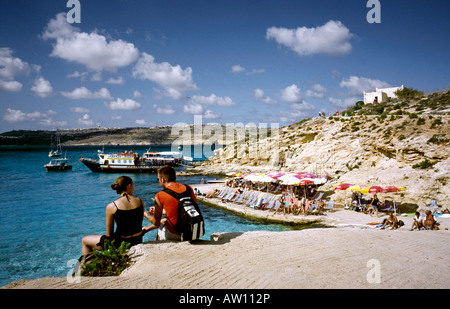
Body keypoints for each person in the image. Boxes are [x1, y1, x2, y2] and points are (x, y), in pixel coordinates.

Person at [81, 176, 147, 255]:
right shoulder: (140, 201)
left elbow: (109, 234)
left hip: (121, 243)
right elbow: (138, 224)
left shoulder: (112, 206)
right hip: (137, 240)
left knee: (85, 240)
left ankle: (88, 265)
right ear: (129, 186)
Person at [146, 165, 197, 241]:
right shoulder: (188, 188)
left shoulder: (160, 195)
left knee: (160, 227)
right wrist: (164, 211)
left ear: (162, 179)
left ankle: (160, 248)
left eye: (158, 179)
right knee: (165, 219)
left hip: (177, 234)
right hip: (194, 231)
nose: (159, 181)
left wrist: (146, 215)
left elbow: (156, 223)